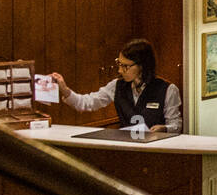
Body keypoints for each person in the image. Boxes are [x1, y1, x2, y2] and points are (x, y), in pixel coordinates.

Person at [52, 38, 182, 134]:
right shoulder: (116, 86)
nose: (120, 70)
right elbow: (87, 103)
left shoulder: (168, 90)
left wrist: (164, 128)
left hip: (156, 150)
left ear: (142, 65)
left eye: (125, 66)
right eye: (119, 64)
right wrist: (65, 90)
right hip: (126, 149)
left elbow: (176, 125)